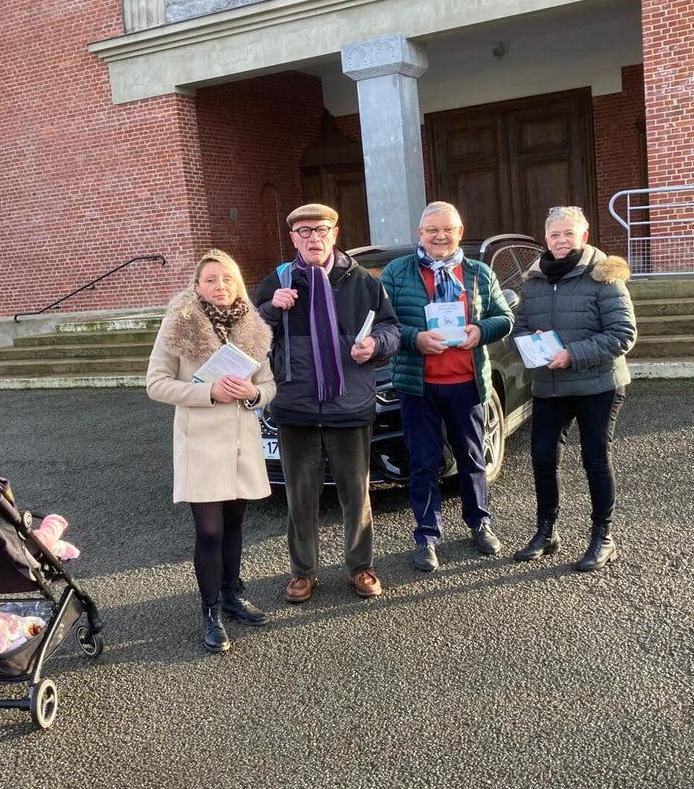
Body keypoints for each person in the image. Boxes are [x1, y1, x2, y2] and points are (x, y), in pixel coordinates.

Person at [255, 203, 400, 603]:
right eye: (304, 231)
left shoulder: (363, 281)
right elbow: (250, 336)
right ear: (293, 238)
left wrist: (375, 345)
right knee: (300, 498)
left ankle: (361, 566)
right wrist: (271, 308)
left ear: (334, 234)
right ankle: (303, 572)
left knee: (356, 495)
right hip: (295, 407)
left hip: (349, 406)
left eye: (321, 230)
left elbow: (391, 329)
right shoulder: (277, 281)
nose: (313, 237)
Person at [146, 249, 277, 653]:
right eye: (211, 279)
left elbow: (269, 385)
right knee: (209, 530)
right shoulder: (179, 323)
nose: (220, 286)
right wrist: (208, 392)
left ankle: (233, 594)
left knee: (234, 525)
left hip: (240, 444)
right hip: (200, 445)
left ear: (238, 284)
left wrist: (254, 393)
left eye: (227, 278)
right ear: (197, 286)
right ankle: (211, 611)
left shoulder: (253, 326)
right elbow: (155, 384)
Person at [380, 201, 514, 572]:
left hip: (466, 383)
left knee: (473, 458)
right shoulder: (397, 272)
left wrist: (480, 330)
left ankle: (480, 523)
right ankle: (426, 536)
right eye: (432, 230)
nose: (440, 236)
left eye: (447, 229)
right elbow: (383, 324)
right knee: (423, 463)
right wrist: (415, 338)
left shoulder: (479, 273)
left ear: (459, 232)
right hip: (417, 386)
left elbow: (504, 318)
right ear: (420, 233)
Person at [510, 206, 637, 572]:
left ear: (583, 236)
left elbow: (623, 334)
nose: (562, 240)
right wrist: (531, 341)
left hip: (598, 384)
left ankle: (603, 537)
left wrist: (572, 354)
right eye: (555, 235)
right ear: (546, 240)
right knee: (543, 458)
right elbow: (520, 327)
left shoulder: (604, 276)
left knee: (594, 458)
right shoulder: (533, 280)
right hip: (550, 384)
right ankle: (546, 531)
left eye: (569, 233)